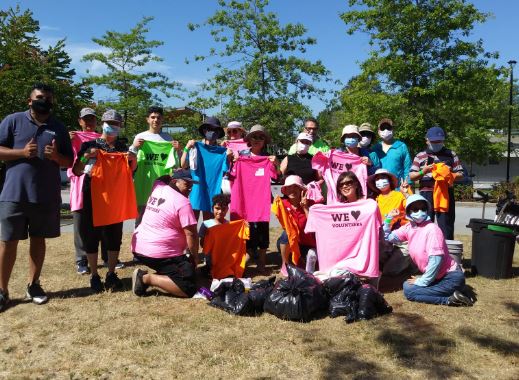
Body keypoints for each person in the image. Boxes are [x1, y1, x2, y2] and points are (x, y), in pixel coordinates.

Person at [0, 83, 73, 310]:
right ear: (29, 101)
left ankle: (33, 285)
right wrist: (21, 153)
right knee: (7, 242)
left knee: (38, 240)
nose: (45, 101)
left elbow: (70, 162)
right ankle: (2, 291)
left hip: (45, 195)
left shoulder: (58, 128)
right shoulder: (13, 121)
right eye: (40, 97)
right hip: (14, 193)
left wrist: (56, 157)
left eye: (49, 98)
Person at [72, 109, 137, 293]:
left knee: (114, 235)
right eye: (109, 122)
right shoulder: (89, 145)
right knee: (91, 236)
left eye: (116, 123)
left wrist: (133, 160)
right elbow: (77, 170)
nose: (112, 126)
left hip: (115, 197)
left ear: (120, 126)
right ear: (102, 123)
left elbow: (133, 171)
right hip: (92, 195)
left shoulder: (123, 148)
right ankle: (94, 275)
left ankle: (111, 273)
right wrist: (87, 156)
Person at [384, 194, 473, 306]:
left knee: (409, 291)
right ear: (408, 212)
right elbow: (388, 238)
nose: (420, 212)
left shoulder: (432, 229)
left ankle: (450, 300)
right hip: (437, 277)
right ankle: (458, 291)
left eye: (423, 208)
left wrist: (422, 281)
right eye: (415, 209)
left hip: (450, 277)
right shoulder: (409, 228)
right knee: (407, 285)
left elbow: (436, 261)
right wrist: (389, 219)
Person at [131, 170, 199, 298]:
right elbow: (191, 235)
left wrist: (173, 174)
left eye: (191, 184)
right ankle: (146, 278)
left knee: (187, 272)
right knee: (188, 287)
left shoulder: (158, 186)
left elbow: (161, 178)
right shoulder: (183, 202)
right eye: (186, 183)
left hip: (139, 247)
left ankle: (162, 274)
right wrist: (194, 258)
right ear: (174, 182)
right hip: (160, 253)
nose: (190, 187)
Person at [235, 124, 280, 273]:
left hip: (261, 200)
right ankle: (248, 253)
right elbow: (231, 173)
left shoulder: (267, 158)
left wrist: (276, 164)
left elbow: (276, 176)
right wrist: (232, 160)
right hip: (245, 200)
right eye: (254, 136)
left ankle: (262, 259)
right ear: (249, 139)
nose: (257, 140)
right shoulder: (241, 157)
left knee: (262, 228)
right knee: (246, 228)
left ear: (264, 141)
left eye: (261, 137)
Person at [408, 126, 463, 240]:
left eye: (439, 141)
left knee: (446, 226)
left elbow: (461, 174)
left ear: (443, 141)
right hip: (426, 194)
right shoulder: (420, 156)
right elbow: (412, 176)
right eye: (433, 141)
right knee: (424, 224)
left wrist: (450, 174)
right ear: (427, 140)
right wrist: (424, 171)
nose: (436, 143)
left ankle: (447, 252)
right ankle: (424, 252)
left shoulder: (451, 154)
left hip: (445, 193)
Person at [130, 106, 181, 227]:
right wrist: (134, 146)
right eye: (152, 117)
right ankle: (137, 245)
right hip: (143, 185)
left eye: (158, 117)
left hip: (161, 187)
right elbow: (130, 160)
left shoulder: (168, 139)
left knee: (159, 219)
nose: (155, 120)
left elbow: (176, 165)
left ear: (162, 119)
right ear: (147, 119)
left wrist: (178, 150)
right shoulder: (140, 137)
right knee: (140, 220)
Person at [181, 116, 227, 221]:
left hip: (213, 191)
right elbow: (183, 165)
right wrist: (186, 148)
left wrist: (228, 156)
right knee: (191, 226)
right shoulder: (195, 147)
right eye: (209, 128)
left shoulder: (222, 152)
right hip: (196, 190)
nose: (212, 132)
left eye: (215, 129)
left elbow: (224, 173)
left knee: (209, 227)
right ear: (204, 130)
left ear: (219, 133)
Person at [277, 175, 317, 273]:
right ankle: (285, 265)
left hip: (310, 243)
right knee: (285, 235)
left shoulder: (312, 204)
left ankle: (301, 260)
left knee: (311, 263)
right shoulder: (282, 204)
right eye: (289, 187)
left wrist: (305, 208)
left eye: (296, 187)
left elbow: (315, 226)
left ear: (302, 190)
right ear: (285, 191)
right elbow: (284, 225)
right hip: (293, 242)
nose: (292, 190)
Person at [372, 118, 412, 183]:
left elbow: (407, 167)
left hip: (398, 189)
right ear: (378, 131)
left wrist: (407, 183)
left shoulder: (401, 146)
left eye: (388, 128)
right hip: (380, 189)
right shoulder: (375, 149)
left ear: (393, 130)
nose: (386, 130)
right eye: (383, 128)